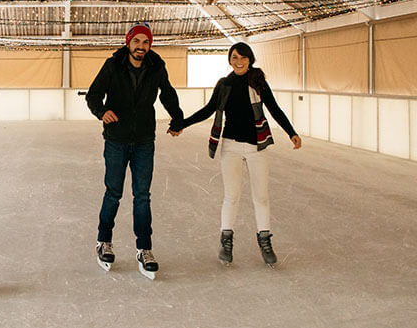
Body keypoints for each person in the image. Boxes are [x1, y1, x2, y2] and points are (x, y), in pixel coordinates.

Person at [181, 42, 302, 267]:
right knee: (232, 196)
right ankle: (226, 243)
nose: (239, 61)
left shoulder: (258, 82)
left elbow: (274, 109)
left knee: (261, 196)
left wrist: (291, 133)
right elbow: (209, 110)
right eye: (235, 57)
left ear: (250, 59)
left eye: (243, 57)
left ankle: (265, 241)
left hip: (257, 146)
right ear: (229, 59)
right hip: (231, 146)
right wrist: (182, 124)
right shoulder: (224, 84)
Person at [86, 23, 184, 280]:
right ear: (128, 42)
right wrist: (101, 111)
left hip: (143, 140)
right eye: (137, 41)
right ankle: (103, 241)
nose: (141, 46)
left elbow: (168, 94)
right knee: (114, 192)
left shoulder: (156, 67)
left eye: (146, 42)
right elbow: (94, 94)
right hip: (116, 139)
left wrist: (177, 119)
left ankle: (144, 248)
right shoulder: (112, 65)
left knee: (142, 195)